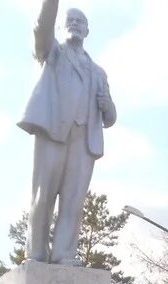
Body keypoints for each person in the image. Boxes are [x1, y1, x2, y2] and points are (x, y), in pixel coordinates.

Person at [19, 1, 117, 265]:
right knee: (44, 196)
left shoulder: (98, 71)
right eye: (70, 21)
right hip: (53, 132)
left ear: (87, 31)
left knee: (74, 202)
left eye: (80, 22)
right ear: (61, 27)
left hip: (84, 141)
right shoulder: (52, 53)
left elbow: (110, 117)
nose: (75, 25)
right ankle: (36, 253)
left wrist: (108, 107)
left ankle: (64, 254)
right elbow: (42, 28)